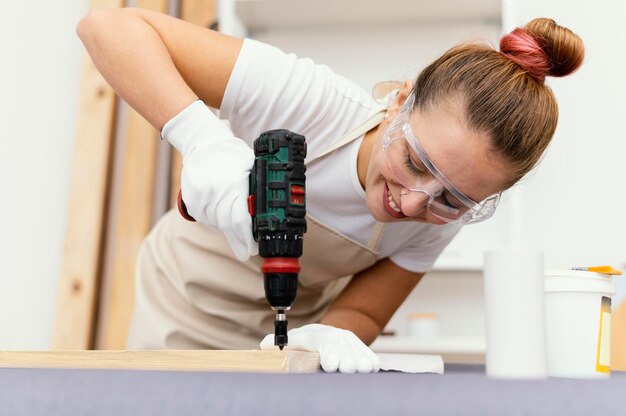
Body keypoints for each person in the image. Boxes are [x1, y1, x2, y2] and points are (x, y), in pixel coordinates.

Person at [77, 9, 584, 373]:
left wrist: (330, 336)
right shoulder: (309, 102)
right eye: (413, 160)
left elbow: (362, 311)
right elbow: (108, 26)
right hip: (182, 304)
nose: (412, 203)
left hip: (288, 340)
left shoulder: (438, 213)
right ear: (401, 104)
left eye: (453, 199)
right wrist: (200, 138)